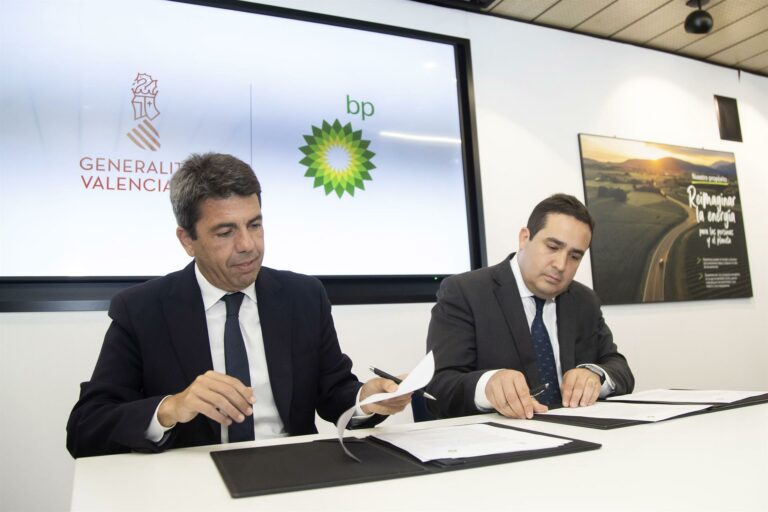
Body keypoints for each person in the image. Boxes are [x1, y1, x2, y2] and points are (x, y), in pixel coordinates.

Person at [66, 152, 410, 458]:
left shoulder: (303, 296)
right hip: (194, 481)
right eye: (225, 232)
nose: (248, 245)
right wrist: (171, 407)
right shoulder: (142, 310)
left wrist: (368, 399)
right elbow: (85, 428)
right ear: (187, 240)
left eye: (255, 225)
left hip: (294, 471)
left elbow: (334, 394)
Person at [425, 193, 633, 420]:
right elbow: (439, 386)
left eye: (574, 256)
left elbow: (619, 368)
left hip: (576, 431)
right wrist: (487, 385)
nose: (561, 265)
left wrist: (595, 375)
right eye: (552, 247)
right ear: (525, 238)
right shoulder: (465, 292)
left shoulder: (584, 300)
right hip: (501, 436)